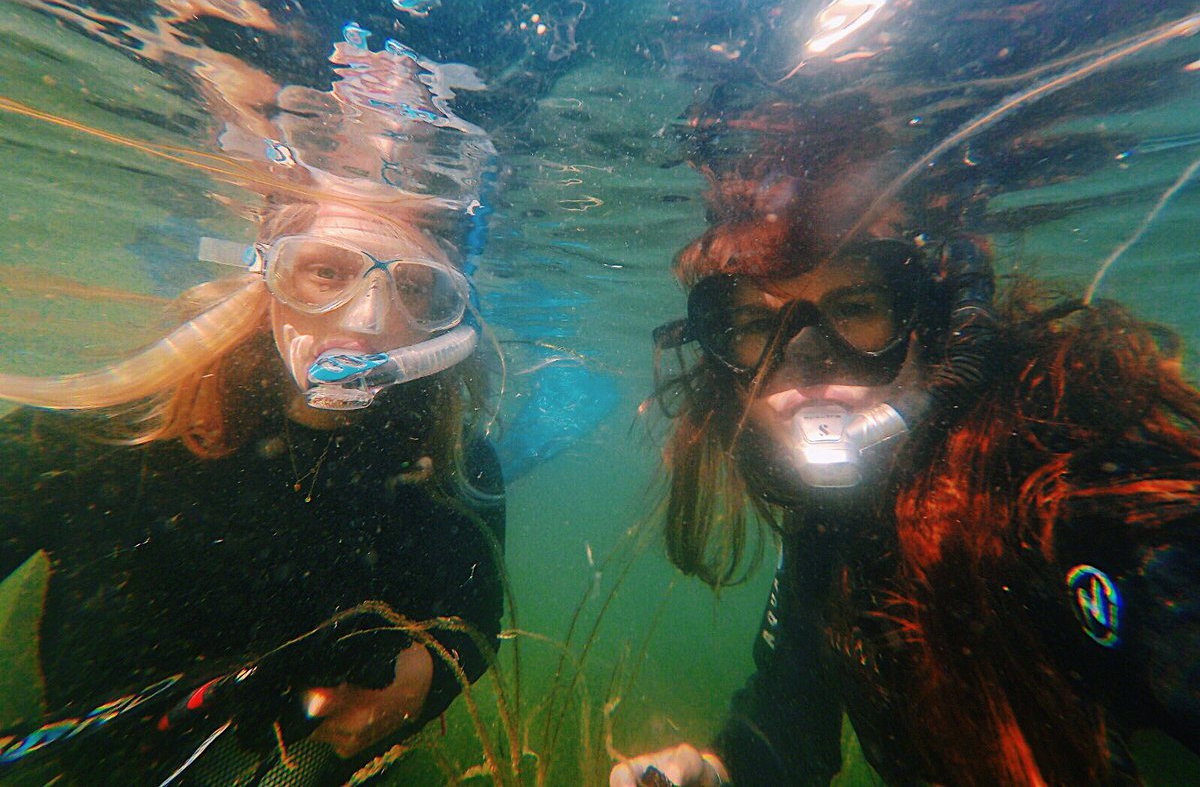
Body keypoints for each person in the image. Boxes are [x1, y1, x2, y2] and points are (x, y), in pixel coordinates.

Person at [611, 98, 1200, 786]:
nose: (807, 367)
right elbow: (793, 719)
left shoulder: (1067, 474)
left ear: (932, 324)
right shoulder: (830, 516)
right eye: (753, 327)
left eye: (856, 309)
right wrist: (718, 771)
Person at [0, 191, 505, 782]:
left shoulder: (452, 461)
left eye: (414, 289)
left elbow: (475, 620)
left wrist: (422, 681)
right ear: (266, 275)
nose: (365, 322)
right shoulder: (119, 427)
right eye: (325, 272)